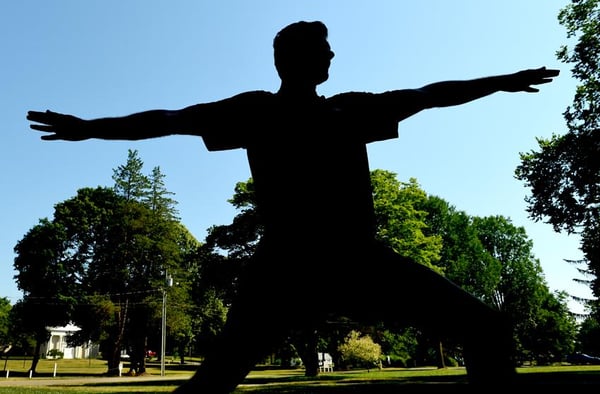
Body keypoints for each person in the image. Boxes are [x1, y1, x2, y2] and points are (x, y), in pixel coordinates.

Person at [28, 21, 559, 391]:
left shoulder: (325, 110)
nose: (331, 56)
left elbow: (430, 93)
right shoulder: (273, 111)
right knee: (218, 374)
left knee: (485, 327)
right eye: (323, 49)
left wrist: (501, 82)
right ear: (293, 58)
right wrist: (90, 129)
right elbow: (167, 118)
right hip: (299, 265)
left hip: (338, 261)